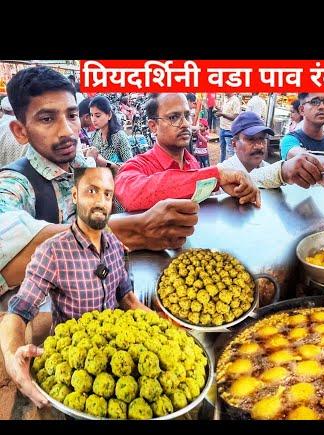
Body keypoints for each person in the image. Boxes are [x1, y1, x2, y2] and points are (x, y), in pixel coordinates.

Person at [0, 66, 199, 297]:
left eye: (72, 115)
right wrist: (130, 230)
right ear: (20, 131)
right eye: (47, 119)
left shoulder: (84, 167)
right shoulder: (15, 184)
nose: (67, 130)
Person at [0, 166, 150, 408]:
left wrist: (165, 329)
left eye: (108, 194)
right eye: (92, 191)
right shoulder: (52, 252)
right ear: (74, 196)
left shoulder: (113, 244)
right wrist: (12, 356)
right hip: (74, 369)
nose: (101, 201)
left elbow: (127, 299)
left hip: (118, 354)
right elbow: (17, 313)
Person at [115, 93, 260, 212]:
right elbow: (131, 194)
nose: (185, 123)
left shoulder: (192, 163)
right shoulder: (139, 165)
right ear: (153, 126)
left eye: (187, 115)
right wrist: (215, 177)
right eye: (173, 117)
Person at [221, 111, 324, 189]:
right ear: (234, 144)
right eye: (250, 139)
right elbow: (244, 180)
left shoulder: (268, 167)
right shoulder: (222, 173)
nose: (259, 146)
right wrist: (282, 172)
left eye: (262, 138)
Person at [279, 92, 324, 160]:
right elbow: (302, 159)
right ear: (302, 110)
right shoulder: (290, 140)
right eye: (314, 102)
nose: (322, 107)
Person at [88, 95, 133, 164]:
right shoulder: (94, 136)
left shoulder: (119, 136)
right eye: (91, 115)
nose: (93, 119)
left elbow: (129, 165)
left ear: (109, 115)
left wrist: (107, 164)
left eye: (98, 116)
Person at [216, 93, 241, 162]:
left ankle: (230, 169)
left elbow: (235, 117)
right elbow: (226, 112)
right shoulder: (225, 99)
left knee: (230, 151)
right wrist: (219, 110)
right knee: (222, 149)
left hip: (229, 130)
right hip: (222, 128)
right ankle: (222, 165)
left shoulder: (235, 100)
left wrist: (222, 114)